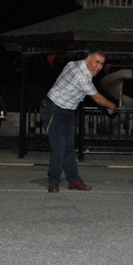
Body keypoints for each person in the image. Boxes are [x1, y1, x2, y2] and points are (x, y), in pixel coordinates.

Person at [40, 49, 116, 192]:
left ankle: (73, 181)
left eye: (102, 64)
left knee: (69, 147)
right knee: (59, 148)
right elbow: (98, 98)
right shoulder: (82, 75)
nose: (99, 67)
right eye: (97, 62)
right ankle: (53, 181)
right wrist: (112, 105)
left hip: (68, 111)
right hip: (53, 110)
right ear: (88, 60)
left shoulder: (72, 64)